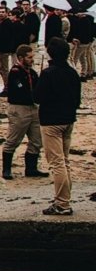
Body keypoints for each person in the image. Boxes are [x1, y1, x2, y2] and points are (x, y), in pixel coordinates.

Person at [35, 38, 81, 215]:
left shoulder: (48, 73)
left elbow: (38, 97)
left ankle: (62, 203)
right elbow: (77, 100)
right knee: (64, 161)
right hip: (68, 119)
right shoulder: (72, 73)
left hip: (52, 121)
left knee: (57, 163)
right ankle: (63, 198)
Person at [1, 43, 47, 180]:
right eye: (29, 57)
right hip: (19, 108)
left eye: (32, 57)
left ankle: (31, 168)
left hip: (33, 108)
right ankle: (6, 169)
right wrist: (33, 95)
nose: (32, 60)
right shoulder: (15, 72)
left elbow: (38, 88)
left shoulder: (32, 73)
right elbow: (20, 89)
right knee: (13, 140)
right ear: (21, 58)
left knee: (37, 140)